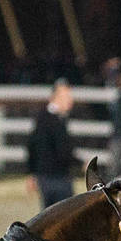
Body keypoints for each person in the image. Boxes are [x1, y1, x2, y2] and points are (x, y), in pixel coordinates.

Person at [27, 80, 77, 209]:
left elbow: (31, 146)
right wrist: (80, 163)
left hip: (47, 177)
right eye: (66, 97)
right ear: (55, 98)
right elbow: (62, 150)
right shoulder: (51, 120)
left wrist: (31, 173)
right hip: (57, 178)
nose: (70, 101)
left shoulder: (45, 117)